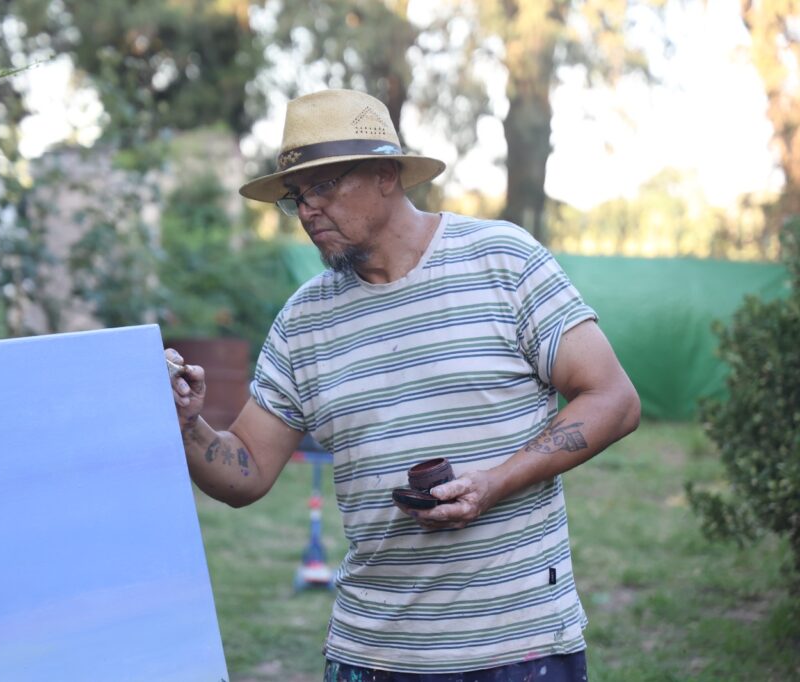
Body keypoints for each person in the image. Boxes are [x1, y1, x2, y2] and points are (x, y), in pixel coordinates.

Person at [166, 89, 640, 681]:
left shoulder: (503, 261)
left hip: (520, 646)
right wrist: (187, 425)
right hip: (373, 655)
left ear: (386, 175)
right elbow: (246, 473)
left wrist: (495, 482)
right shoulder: (303, 321)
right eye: (296, 196)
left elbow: (613, 399)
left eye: (323, 187)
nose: (308, 210)